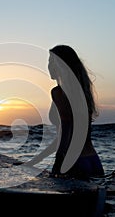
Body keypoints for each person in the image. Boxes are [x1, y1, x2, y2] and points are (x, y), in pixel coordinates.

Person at [27, 45, 104, 180]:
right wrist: (34, 162)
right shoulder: (81, 94)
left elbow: (66, 129)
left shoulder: (58, 93)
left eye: (51, 61)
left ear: (60, 65)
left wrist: (59, 163)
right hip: (93, 161)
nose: (48, 66)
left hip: (74, 162)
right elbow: (63, 136)